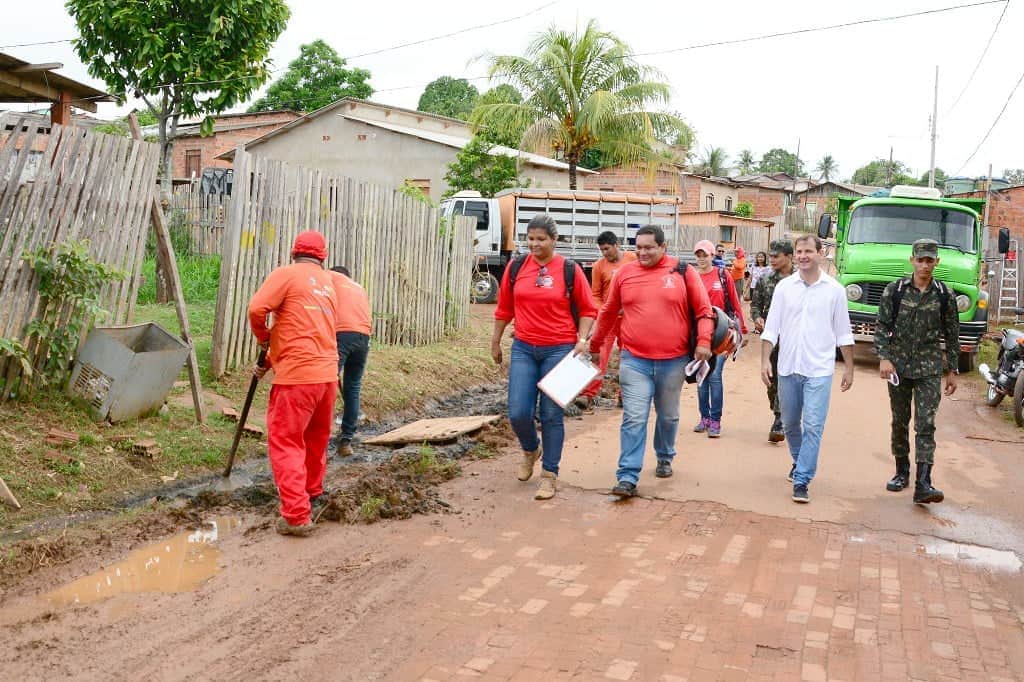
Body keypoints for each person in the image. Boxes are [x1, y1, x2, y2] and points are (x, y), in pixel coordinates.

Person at [592, 225, 714, 498]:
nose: (643, 253)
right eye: (638, 248)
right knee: (634, 417)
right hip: (635, 359)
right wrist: (595, 344)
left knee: (668, 415)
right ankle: (627, 475)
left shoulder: (683, 272)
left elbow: (704, 311)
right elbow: (610, 311)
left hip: (673, 361)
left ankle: (665, 455)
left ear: (663, 247)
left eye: (649, 247)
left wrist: (704, 341)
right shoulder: (625, 273)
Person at [492, 214, 597, 500]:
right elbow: (503, 309)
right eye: (530, 238)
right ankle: (530, 448)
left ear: (554, 239)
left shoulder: (569, 269)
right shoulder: (516, 268)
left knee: (551, 415)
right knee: (517, 412)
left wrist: (582, 339)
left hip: (560, 350)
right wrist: (496, 342)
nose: (535, 244)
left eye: (541, 239)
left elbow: (588, 309)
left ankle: (549, 474)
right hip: (524, 348)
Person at [249, 231, 340, 536]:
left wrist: (264, 339)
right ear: (322, 256)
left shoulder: (285, 275)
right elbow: (306, 333)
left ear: (294, 253)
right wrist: (272, 358)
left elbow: (256, 309)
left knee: (286, 441)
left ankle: (296, 515)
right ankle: (312, 493)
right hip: (327, 375)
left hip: (298, 378)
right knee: (315, 439)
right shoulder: (328, 283)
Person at [760, 234, 854, 504]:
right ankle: (800, 460)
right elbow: (771, 329)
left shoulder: (834, 291)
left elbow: (844, 333)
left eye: (808, 251)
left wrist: (849, 368)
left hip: (819, 369)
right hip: (788, 367)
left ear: (820, 253)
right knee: (789, 424)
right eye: (799, 251)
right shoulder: (784, 288)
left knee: (813, 425)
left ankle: (802, 479)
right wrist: (765, 360)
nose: (802, 256)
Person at [875, 239, 958, 505]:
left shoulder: (945, 294)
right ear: (912, 260)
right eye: (920, 260)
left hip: (929, 369)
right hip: (898, 367)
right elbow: (881, 326)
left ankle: (924, 483)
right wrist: (884, 358)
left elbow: (952, 334)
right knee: (900, 421)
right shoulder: (895, 290)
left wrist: (952, 370)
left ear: (937, 262)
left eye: (929, 260)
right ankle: (902, 472)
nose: (924, 265)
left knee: (926, 424)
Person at [692, 239, 747, 438]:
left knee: (714, 376)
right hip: (698, 335)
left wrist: (742, 330)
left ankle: (715, 420)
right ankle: (704, 417)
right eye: (698, 255)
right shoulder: (692, 278)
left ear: (712, 256)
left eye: (705, 254)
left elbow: (734, 302)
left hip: (722, 333)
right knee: (701, 377)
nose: (701, 258)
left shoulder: (723, 276)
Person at [576, 231, 637, 409]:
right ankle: (588, 394)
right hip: (608, 319)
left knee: (628, 358)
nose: (605, 253)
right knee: (599, 355)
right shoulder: (598, 266)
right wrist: (602, 311)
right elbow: (595, 295)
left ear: (616, 245)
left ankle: (625, 396)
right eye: (602, 250)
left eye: (607, 249)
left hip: (628, 319)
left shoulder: (632, 259)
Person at [750, 240, 794, 443]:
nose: (772, 259)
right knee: (772, 381)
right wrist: (757, 317)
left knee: (787, 378)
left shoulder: (801, 279)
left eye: (776, 256)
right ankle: (777, 412)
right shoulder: (765, 279)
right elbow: (755, 305)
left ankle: (780, 419)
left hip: (794, 338)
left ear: (789, 256)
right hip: (772, 337)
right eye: (771, 256)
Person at [327, 265, 371, 458]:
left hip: (341, 334)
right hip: (363, 337)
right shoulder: (359, 288)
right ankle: (346, 441)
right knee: (353, 387)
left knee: (325, 383)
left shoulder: (331, 278)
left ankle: (316, 437)